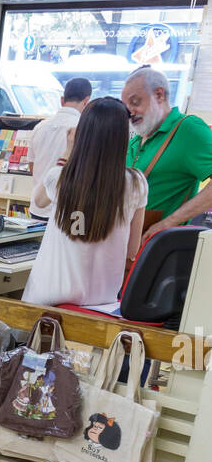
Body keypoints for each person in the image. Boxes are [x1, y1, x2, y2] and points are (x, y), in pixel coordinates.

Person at [22, 96, 147, 313]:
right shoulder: (137, 183)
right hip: (102, 306)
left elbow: (38, 201)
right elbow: (132, 250)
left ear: (82, 135)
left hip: (47, 301)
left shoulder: (60, 178)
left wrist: (67, 153)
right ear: (124, 138)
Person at [121, 66, 212, 242]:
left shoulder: (188, 129)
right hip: (129, 245)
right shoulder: (137, 139)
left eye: (135, 102)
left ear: (159, 95)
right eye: (126, 106)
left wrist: (168, 223)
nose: (130, 112)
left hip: (160, 248)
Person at [27, 77, 92, 220]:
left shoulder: (39, 127)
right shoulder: (84, 129)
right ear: (87, 101)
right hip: (65, 212)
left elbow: (32, 167)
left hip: (37, 208)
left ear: (62, 100)